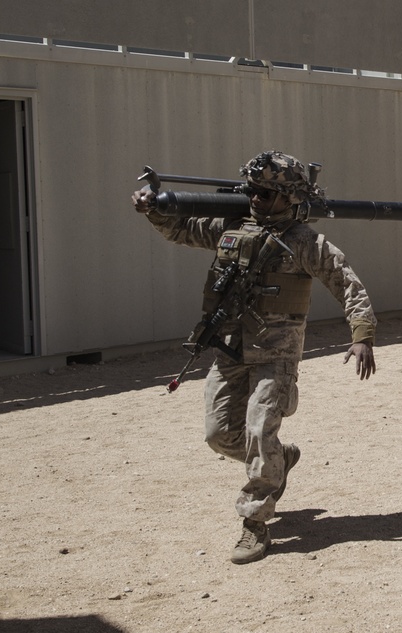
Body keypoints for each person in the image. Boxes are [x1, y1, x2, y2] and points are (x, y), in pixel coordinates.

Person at [132, 150, 377, 564]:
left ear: (291, 198)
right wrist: (152, 208)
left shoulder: (305, 242)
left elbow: (345, 281)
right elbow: (180, 230)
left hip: (277, 352)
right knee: (219, 434)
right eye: (254, 191)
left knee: (260, 429)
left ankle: (254, 523)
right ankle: (282, 459)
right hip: (229, 346)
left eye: (266, 193)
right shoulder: (231, 228)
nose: (256, 198)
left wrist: (362, 335)